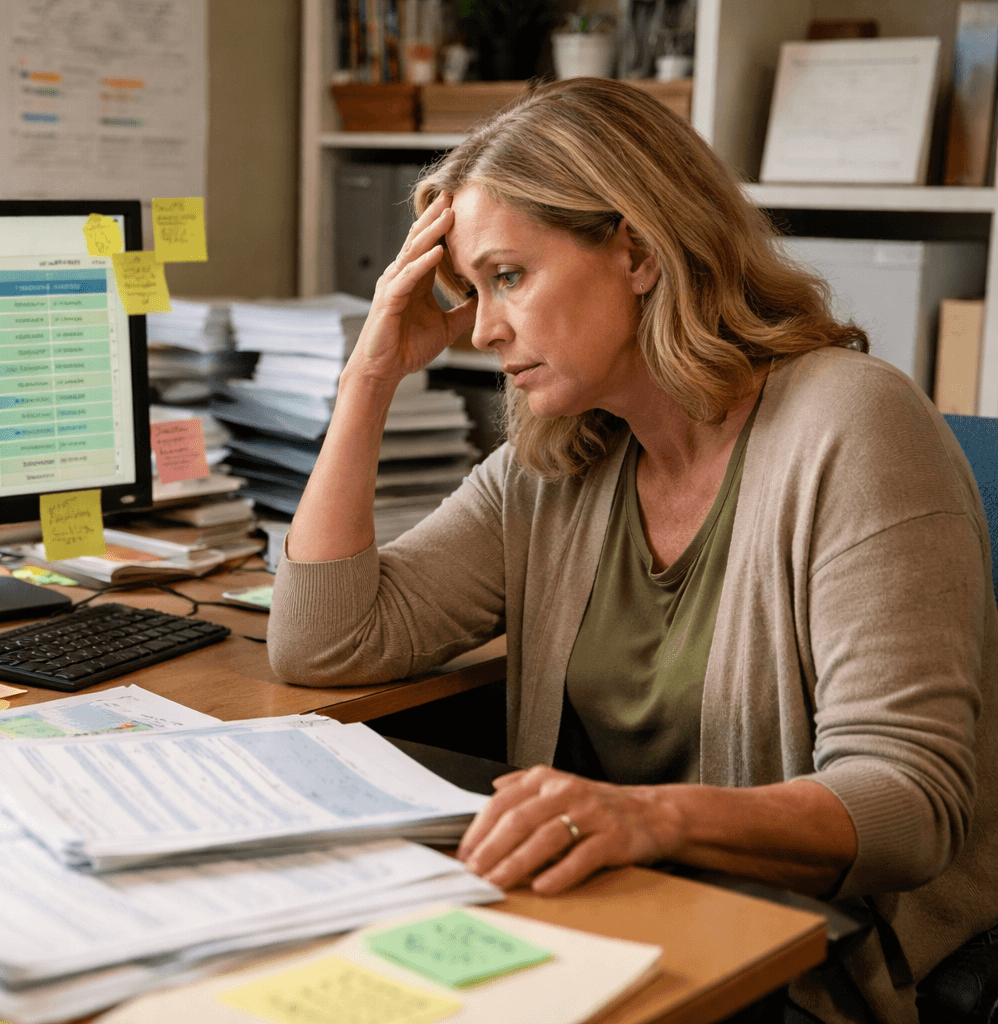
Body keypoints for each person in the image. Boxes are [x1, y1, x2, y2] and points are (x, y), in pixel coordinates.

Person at [266, 78, 998, 1024]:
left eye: (510, 276)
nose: (482, 329)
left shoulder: (852, 422)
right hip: (623, 919)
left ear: (639, 251)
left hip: (808, 970)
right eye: (471, 290)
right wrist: (368, 378)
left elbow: (907, 803)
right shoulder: (561, 461)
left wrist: (646, 818)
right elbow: (323, 644)